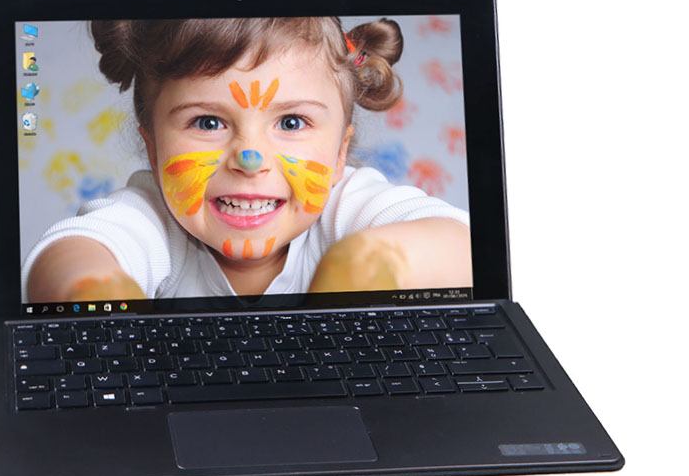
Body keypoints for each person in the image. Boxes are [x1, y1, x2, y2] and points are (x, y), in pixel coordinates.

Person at [23, 17, 472, 302]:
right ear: (154, 150)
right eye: (207, 122)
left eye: (292, 122)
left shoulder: (346, 208)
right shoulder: (152, 219)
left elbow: (465, 246)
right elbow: (76, 252)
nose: (250, 159)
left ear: (339, 155)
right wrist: (93, 289)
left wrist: (364, 263)